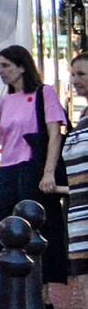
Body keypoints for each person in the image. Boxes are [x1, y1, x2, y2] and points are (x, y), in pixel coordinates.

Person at [0, 44, 67, 283]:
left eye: (5, 65)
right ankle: (13, 281)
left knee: (36, 230)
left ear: (21, 67)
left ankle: (41, 288)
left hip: (32, 168)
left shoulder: (44, 93)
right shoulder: (6, 101)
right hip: (7, 170)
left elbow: (55, 134)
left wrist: (48, 172)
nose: (0, 71)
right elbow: (6, 140)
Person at [66, 55, 88, 284]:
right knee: (81, 265)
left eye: (81, 74)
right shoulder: (83, 115)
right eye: (73, 74)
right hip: (78, 203)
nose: (75, 80)